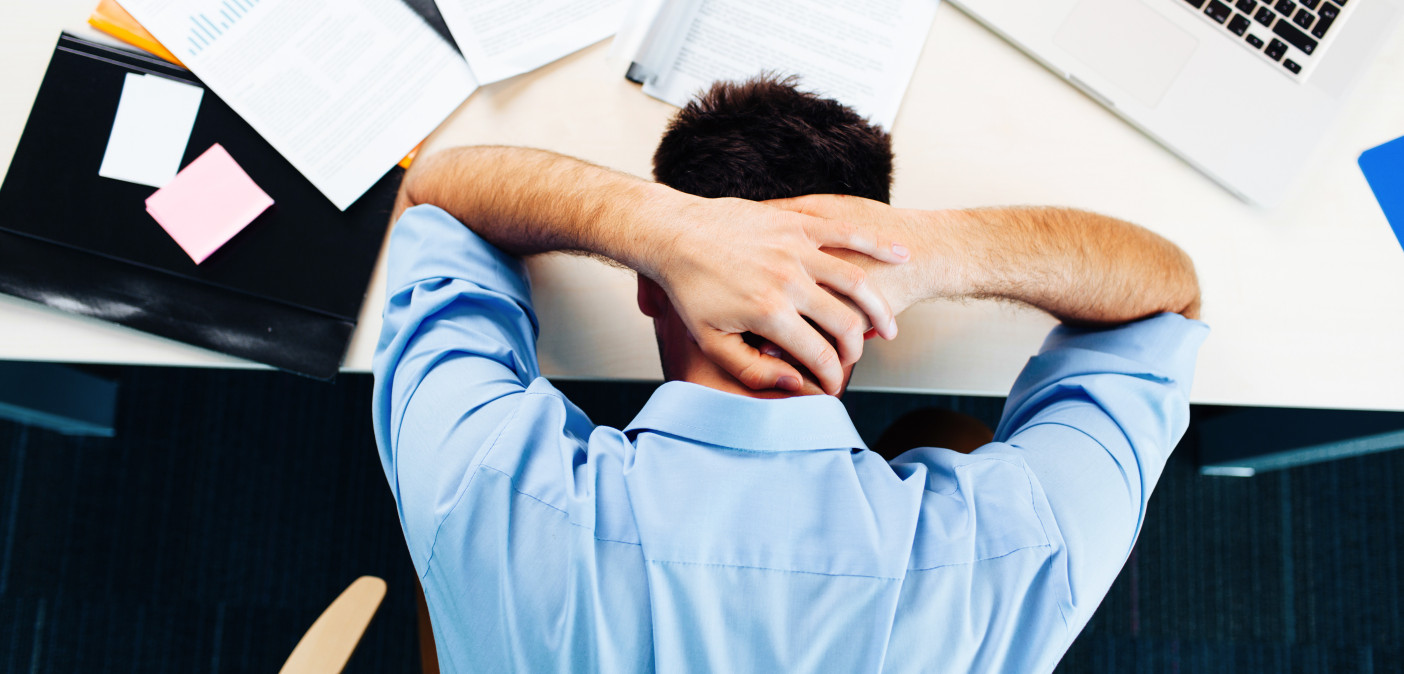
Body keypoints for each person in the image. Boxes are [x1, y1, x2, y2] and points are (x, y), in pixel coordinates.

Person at [372, 77, 1207, 672]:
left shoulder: (485, 484)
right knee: (943, 435)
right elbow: (1163, 300)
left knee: (446, 547)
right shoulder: (1013, 550)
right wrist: (934, 253)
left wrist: (655, 230)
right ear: (872, 313)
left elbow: (437, 196)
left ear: (648, 290)